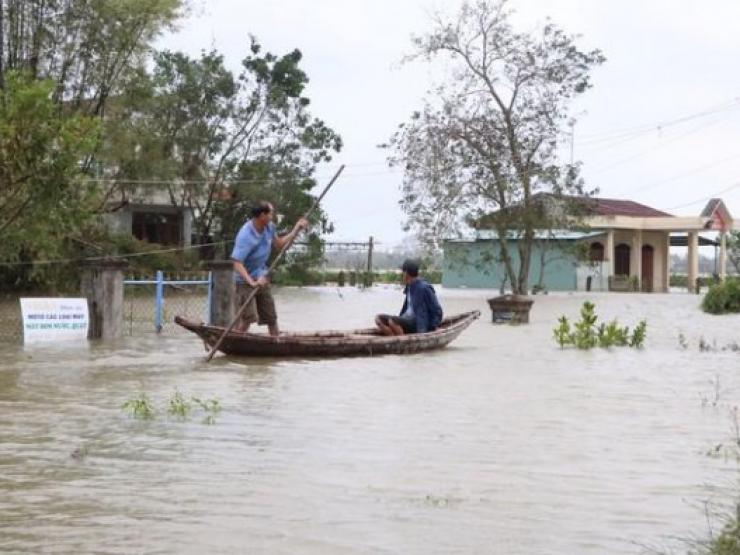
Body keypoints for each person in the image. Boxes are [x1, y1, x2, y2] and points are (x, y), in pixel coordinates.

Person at [230, 201, 307, 335]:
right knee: (248, 319)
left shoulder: (269, 227)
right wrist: (252, 282)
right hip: (245, 281)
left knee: (271, 318)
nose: (273, 216)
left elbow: (279, 245)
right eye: (271, 213)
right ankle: (235, 343)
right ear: (262, 215)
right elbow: (237, 262)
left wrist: (296, 229)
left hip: (262, 276)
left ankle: (276, 341)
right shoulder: (246, 235)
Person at [375, 259, 443, 335]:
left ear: (406, 273)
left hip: (418, 324)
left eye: (403, 272)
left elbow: (437, 310)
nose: (402, 275)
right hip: (406, 321)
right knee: (379, 319)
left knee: (392, 321)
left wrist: (434, 326)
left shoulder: (424, 288)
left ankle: (402, 342)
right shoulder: (409, 287)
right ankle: (394, 339)